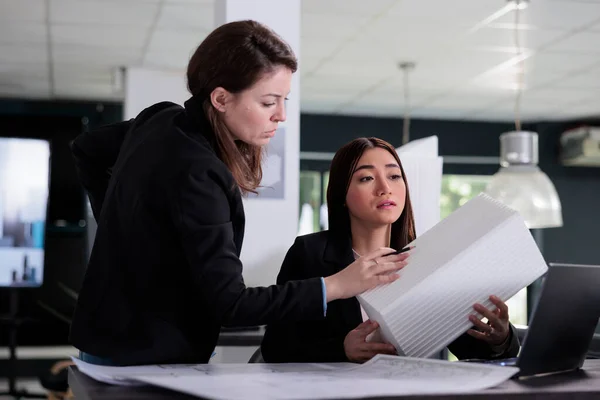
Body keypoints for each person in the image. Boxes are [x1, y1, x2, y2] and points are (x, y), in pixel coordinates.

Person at [69, 21, 408, 366]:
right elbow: (231, 304)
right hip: (142, 356)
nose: (282, 115)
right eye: (268, 102)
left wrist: (120, 225)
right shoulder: (200, 174)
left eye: (284, 100)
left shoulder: (162, 118)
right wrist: (336, 286)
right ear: (221, 98)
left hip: (108, 340)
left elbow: (87, 149)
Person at [261, 137, 520, 363]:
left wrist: (500, 338)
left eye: (394, 176)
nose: (385, 188)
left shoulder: (425, 259)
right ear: (342, 193)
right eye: (366, 178)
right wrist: (341, 349)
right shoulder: (310, 254)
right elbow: (276, 348)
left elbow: (470, 351)